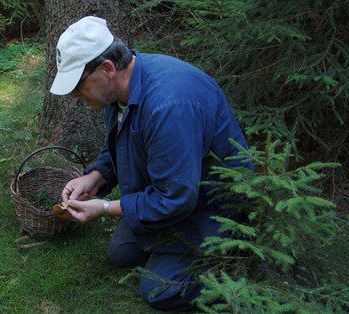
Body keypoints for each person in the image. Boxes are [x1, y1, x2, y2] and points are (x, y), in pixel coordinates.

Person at [50, 16, 254, 311]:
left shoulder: (168, 106)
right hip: (178, 192)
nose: (74, 96)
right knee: (120, 252)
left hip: (213, 206)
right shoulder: (120, 91)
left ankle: (231, 259)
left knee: (158, 290)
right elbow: (122, 145)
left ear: (107, 68)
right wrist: (96, 176)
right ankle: (173, 247)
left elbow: (175, 197)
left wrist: (106, 208)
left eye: (77, 85)